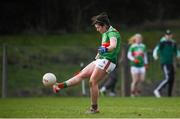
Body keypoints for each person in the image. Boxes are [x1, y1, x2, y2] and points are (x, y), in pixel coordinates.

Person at [52, 12, 121, 113]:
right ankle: (60, 86)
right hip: (101, 59)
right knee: (81, 74)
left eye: (98, 27)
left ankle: (94, 108)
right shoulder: (105, 32)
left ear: (104, 25)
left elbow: (113, 45)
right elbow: (104, 47)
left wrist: (104, 50)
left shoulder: (112, 33)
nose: (97, 30)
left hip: (108, 61)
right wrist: (98, 55)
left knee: (93, 81)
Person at [153, 29, 178, 98]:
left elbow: (176, 51)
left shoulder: (173, 43)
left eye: (170, 35)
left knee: (172, 79)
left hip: (170, 63)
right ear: (165, 36)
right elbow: (156, 49)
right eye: (167, 35)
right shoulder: (162, 42)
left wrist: (178, 55)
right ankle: (157, 90)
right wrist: (155, 56)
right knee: (168, 78)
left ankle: (169, 96)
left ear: (171, 36)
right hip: (164, 62)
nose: (168, 36)